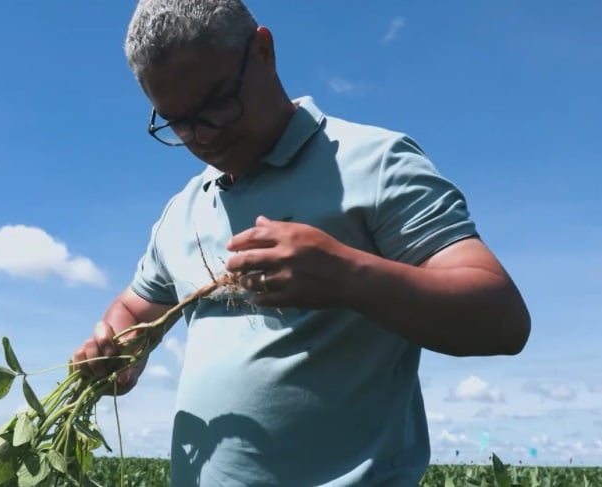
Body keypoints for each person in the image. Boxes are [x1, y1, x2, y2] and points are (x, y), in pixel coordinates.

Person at [72, 0, 531, 485]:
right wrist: (114, 349)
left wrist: (347, 277)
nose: (201, 138)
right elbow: (132, 310)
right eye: (176, 122)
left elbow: (502, 319)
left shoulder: (375, 163)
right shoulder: (184, 209)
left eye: (216, 107)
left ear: (264, 51)